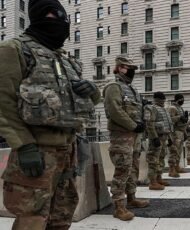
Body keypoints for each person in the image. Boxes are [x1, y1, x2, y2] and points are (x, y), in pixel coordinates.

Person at [0, 0, 101, 229]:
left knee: (61, 214)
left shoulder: (65, 60)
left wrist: (93, 91)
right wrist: (24, 145)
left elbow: (90, 102)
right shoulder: (13, 49)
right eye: (48, 15)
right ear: (36, 18)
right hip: (36, 149)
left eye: (59, 16)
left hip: (68, 149)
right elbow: (3, 104)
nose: (56, 22)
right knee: (32, 217)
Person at [103, 56, 149, 221]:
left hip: (134, 136)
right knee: (122, 170)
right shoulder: (113, 87)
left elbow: (138, 111)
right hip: (121, 136)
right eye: (130, 69)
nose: (132, 72)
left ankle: (131, 197)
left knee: (133, 168)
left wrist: (140, 126)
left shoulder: (132, 90)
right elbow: (114, 111)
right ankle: (118, 206)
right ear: (121, 68)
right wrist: (133, 125)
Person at [145, 92, 173, 190]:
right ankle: (152, 182)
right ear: (157, 99)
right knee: (153, 160)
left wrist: (169, 138)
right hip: (157, 138)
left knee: (160, 159)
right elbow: (149, 124)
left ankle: (158, 178)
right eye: (162, 99)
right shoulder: (151, 108)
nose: (163, 101)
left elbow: (167, 125)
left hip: (164, 137)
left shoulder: (163, 110)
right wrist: (154, 137)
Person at [167, 94, 188, 177]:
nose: (183, 101)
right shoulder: (172, 108)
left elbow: (183, 122)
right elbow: (169, 120)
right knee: (174, 151)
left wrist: (185, 133)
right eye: (182, 99)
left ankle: (177, 166)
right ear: (178, 99)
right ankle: (171, 169)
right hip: (175, 132)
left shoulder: (180, 108)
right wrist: (179, 117)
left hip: (181, 132)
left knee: (179, 151)